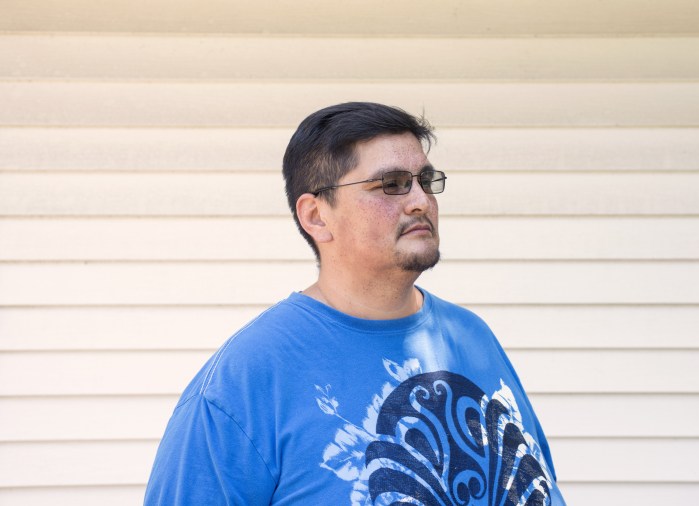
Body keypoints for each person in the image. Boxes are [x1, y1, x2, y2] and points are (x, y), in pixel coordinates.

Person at [144, 102, 566, 505]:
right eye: (392, 184)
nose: (420, 200)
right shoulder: (247, 379)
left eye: (426, 180)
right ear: (316, 216)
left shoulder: (471, 336)